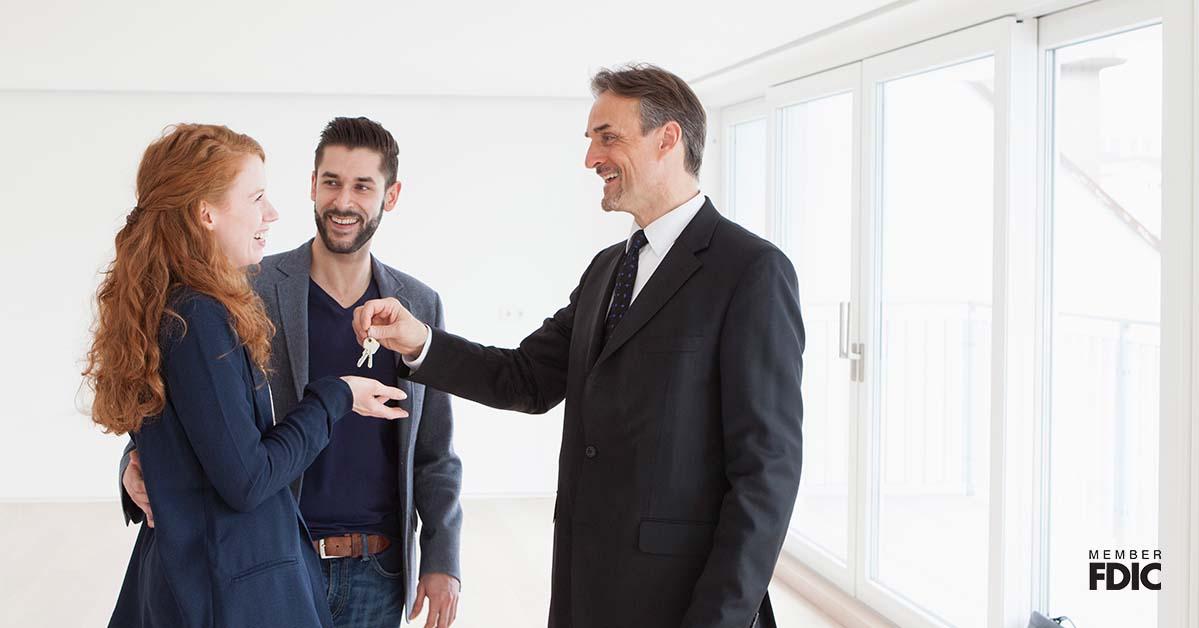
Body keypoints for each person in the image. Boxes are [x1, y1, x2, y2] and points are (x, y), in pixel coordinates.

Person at [355, 64, 805, 628]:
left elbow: (767, 474)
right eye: (591, 140)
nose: (591, 159)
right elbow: (525, 377)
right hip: (585, 591)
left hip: (685, 602)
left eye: (608, 137)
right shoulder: (607, 270)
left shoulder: (751, 271)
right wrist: (419, 340)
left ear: (668, 138)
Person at [119, 117, 463, 628]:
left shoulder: (417, 306)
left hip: (378, 567)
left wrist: (441, 558)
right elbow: (192, 409)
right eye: (331, 182)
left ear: (390, 196)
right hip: (271, 563)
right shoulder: (240, 290)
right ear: (312, 186)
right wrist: (134, 463)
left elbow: (434, 451)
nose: (343, 201)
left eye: (362, 186)